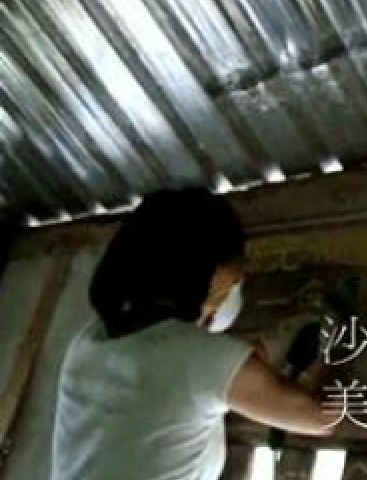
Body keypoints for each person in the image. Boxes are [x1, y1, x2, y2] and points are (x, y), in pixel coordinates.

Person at [50, 188, 336, 480]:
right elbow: (319, 419)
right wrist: (330, 352)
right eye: (231, 269)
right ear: (196, 267)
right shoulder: (198, 357)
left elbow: (185, 385)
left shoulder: (89, 341)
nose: (238, 279)